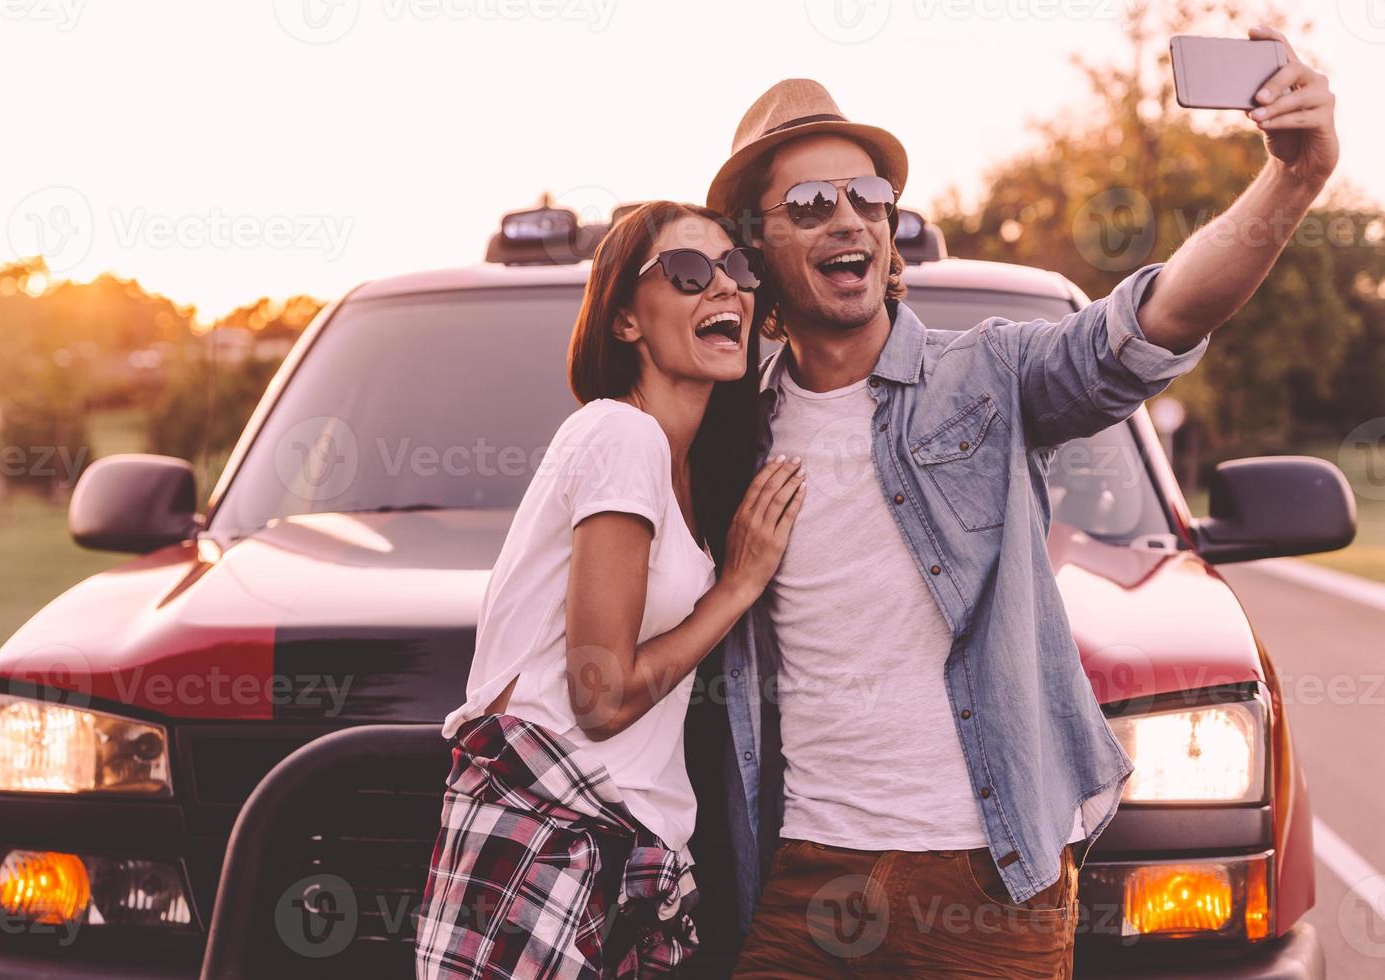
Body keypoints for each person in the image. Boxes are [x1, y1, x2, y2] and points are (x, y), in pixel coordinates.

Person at [707, 25, 1338, 978]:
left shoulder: (987, 375)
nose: (849, 218)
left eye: (868, 195)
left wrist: (1290, 181)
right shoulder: (732, 436)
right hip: (806, 874)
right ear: (755, 245)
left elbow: (1152, 320)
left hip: (990, 881)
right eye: (807, 202)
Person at [414, 200, 806, 979]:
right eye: (689, 273)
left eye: (737, 269)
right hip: (547, 837)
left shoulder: (678, 463)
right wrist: (735, 589)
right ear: (625, 320)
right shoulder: (620, 436)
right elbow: (600, 697)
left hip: (602, 849)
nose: (723, 289)